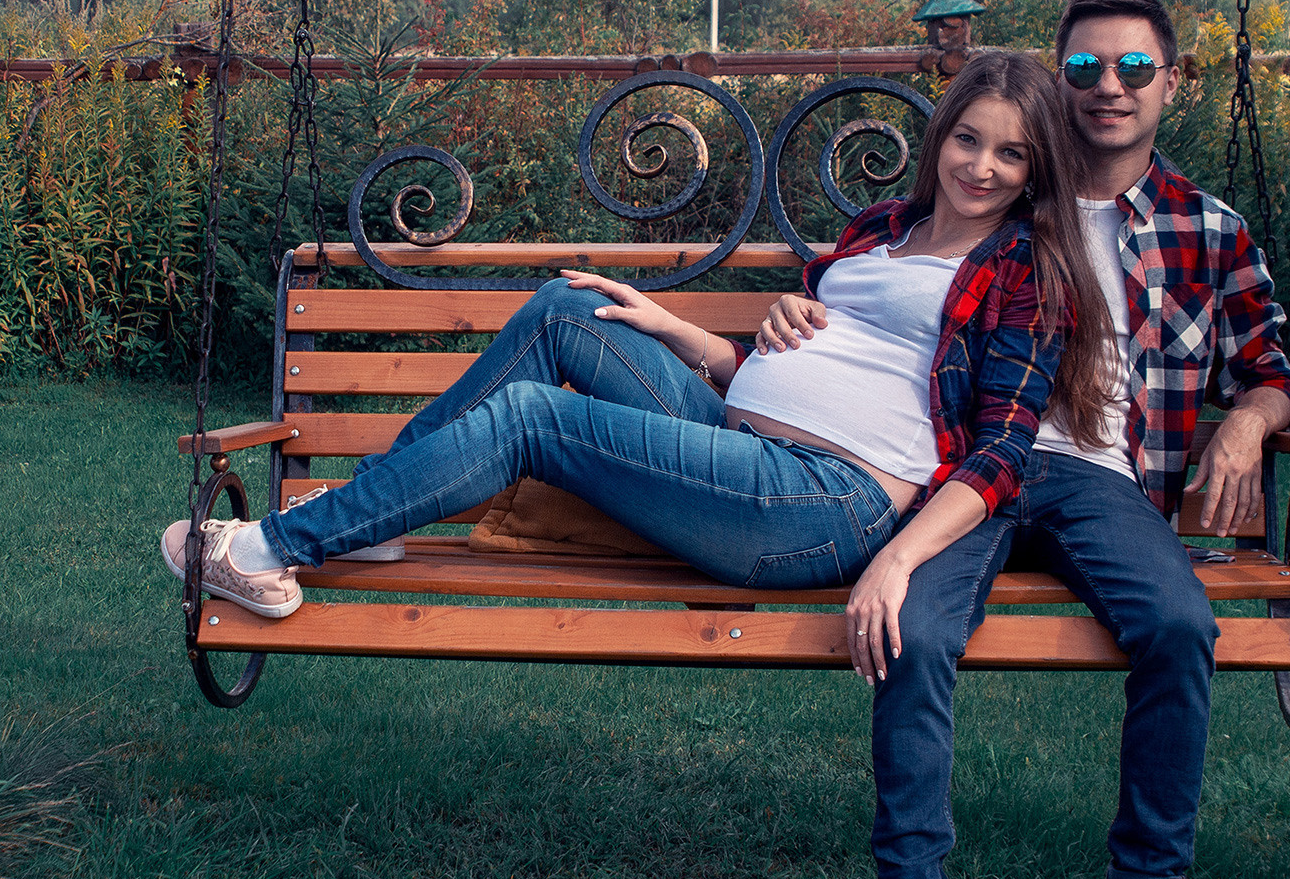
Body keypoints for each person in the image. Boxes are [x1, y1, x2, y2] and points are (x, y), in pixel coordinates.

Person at [163, 52, 1113, 689]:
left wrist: (900, 558)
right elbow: (797, 364)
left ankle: (271, 551)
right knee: (569, 309)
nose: (981, 166)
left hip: (827, 502)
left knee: (537, 416)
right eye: (968, 138)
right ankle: (371, 517)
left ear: (1035, 171)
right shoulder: (880, 235)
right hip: (737, 436)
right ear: (943, 132)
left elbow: (1002, 454)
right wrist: (680, 329)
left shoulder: (1025, 270)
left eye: (1010, 153)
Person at [829, 0, 1290, 879]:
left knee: (1180, 626)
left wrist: (1245, 426)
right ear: (1058, 76)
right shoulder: (1003, 189)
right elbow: (866, 290)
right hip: (959, 471)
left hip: (1095, 478)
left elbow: (1272, 372)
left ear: (1169, 82)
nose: (1109, 89)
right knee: (915, 632)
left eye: (1134, 69)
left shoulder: (1204, 228)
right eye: (1084, 69)